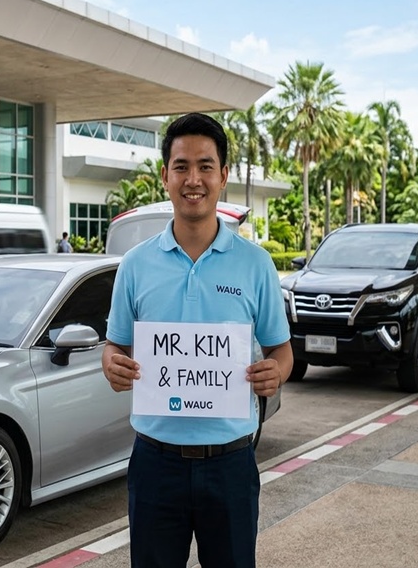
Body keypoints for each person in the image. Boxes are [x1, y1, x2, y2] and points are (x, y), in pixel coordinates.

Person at [101, 113, 293, 568]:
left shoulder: (256, 264)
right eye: (181, 166)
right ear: (165, 175)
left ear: (223, 176)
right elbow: (115, 345)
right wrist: (111, 363)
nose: (193, 179)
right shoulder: (134, 265)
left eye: (205, 166)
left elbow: (281, 350)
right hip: (155, 463)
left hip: (230, 464)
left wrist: (277, 372)